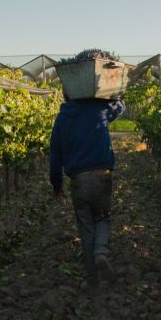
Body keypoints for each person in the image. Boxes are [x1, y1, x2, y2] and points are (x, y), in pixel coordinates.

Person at [49, 95, 126, 290]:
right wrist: (116, 94)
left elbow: (55, 157)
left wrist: (57, 186)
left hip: (79, 180)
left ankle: (92, 280)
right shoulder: (99, 109)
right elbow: (120, 108)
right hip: (103, 175)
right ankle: (101, 252)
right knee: (102, 218)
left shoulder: (62, 119)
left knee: (86, 228)